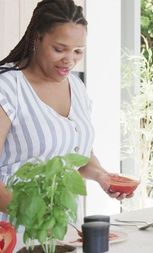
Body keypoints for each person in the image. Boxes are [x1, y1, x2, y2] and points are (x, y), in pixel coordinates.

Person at [0, 0, 131, 216]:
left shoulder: (77, 88)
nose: (69, 61)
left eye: (78, 51)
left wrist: (102, 176)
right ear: (37, 38)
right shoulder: (8, 87)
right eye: (59, 49)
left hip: (61, 224)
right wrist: (37, 212)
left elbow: (78, 153)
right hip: (13, 228)